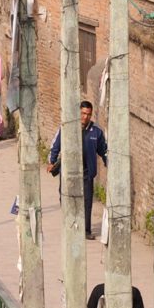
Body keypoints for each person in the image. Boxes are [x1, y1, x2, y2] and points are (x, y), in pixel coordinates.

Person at [49, 100, 111, 239]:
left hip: (87, 173)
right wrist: (51, 161)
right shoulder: (67, 128)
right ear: (78, 112)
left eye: (88, 114)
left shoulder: (96, 132)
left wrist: (109, 163)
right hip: (69, 172)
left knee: (87, 202)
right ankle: (69, 226)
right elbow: (56, 146)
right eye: (83, 113)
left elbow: (104, 150)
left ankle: (86, 231)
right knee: (66, 199)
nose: (85, 117)